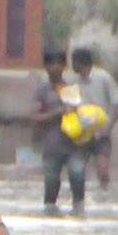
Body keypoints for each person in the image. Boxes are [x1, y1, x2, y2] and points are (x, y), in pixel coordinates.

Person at [32, 49, 86, 216]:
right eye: (51, 64)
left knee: (77, 176)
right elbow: (34, 117)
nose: (55, 67)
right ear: (46, 67)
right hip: (51, 144)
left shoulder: (71, 89)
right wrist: (56, 113)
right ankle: (50, 212)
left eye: (59, 64)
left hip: (73, 143)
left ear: (64, 67)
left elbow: (79, 113)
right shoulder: (42, 91)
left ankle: (79, 211)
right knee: (51, 182)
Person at [70, 47, 118, 190]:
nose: (71, 65)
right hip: (81, 133)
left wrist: (109, 125)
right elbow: (69, 108)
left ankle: (106, 196)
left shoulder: (103, 78)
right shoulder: (73, 82)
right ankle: (79, 200)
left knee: (102, 171)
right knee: (76, 171)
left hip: (101, 133)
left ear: (80, 63)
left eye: (73, 61)